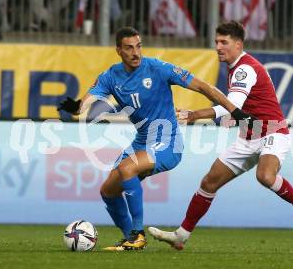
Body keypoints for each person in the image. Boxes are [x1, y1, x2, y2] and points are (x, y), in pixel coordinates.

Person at [57, 26, 253, 251]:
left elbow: (202, 86)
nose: (135, 52)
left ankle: (137, 235)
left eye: (138, 46)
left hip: (168, 141)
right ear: (118, 50)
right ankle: (131, 237)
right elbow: (87, 102)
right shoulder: (111, 76)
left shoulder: (158, 68)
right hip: (141, 140)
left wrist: (233, 110)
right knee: (108, 191)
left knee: (127, 168)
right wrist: (76, 108)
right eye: (129, 48)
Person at [148, 21, 293, 250]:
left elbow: (234, 107)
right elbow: (236, 109)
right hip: (248, 137)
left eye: (224, 42)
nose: (218, 47)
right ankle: (181, 235)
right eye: (216, 42)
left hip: (273, 132)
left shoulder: (244, 69)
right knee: (209, 182)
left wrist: (196, 114)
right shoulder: (235, 68)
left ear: (238, 44)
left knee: (265, 176)